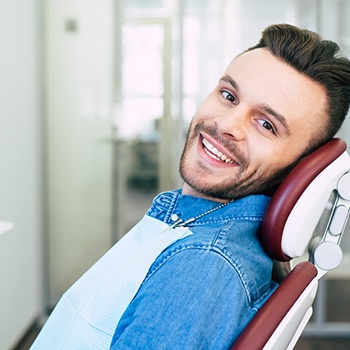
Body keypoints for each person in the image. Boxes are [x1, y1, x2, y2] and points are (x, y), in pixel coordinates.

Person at [31, 23, 350, 350]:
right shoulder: (193, 226)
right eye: (229, 96)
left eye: (266, 125)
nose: (225, 125)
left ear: (298, 168)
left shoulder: (201, 264)